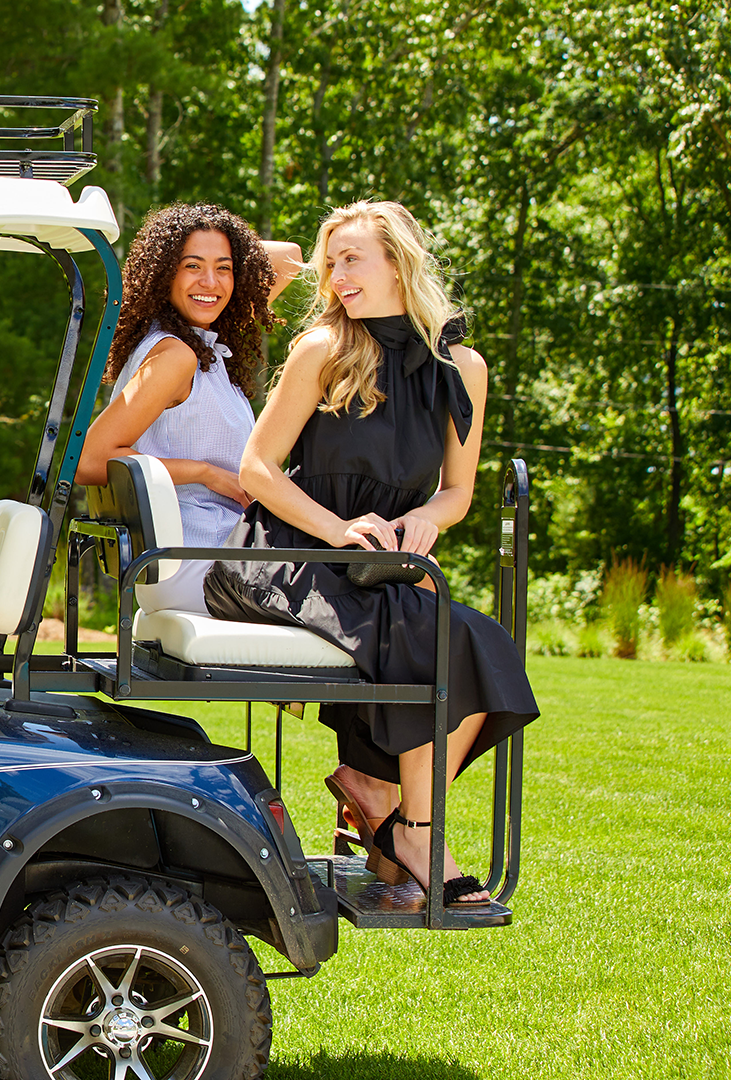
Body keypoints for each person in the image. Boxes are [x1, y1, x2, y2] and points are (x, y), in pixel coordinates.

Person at [205, 200, 540, 907]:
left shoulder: (462, 368)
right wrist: (337, 530)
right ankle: (410, 826)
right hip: (296, 548)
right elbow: (257, 469)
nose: (336, 274)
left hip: (385, 556)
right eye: (331, 261)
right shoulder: (324, 348)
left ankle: (390, 806)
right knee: (437, 634)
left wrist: (424, 520)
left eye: (351, 258)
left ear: (400, 263)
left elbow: (457, 492)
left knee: (482, 644)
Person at [75, 203, 304, 613]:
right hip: (198, 562)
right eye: (191, 266)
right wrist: (207, 474)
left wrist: (222, 243)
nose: (210, 282)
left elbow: (289, 257)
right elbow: (90, 461)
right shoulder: (175, 356)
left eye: (225, 268)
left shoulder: (198, 343)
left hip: (219, 558)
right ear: (165, 274)